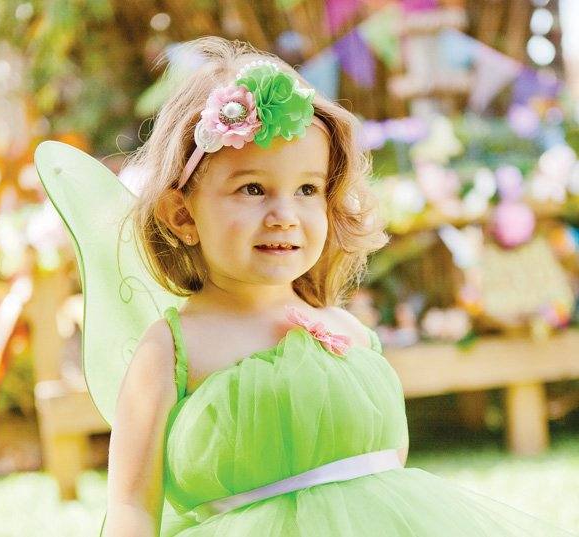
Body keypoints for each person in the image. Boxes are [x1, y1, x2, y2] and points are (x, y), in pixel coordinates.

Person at [34, 37, 578, 537]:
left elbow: (388, 469)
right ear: (182, 214)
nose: (284, 215)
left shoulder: (347, 331)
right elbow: (131, 502)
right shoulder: (174, 347)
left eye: (307, 190)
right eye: (252, 189)